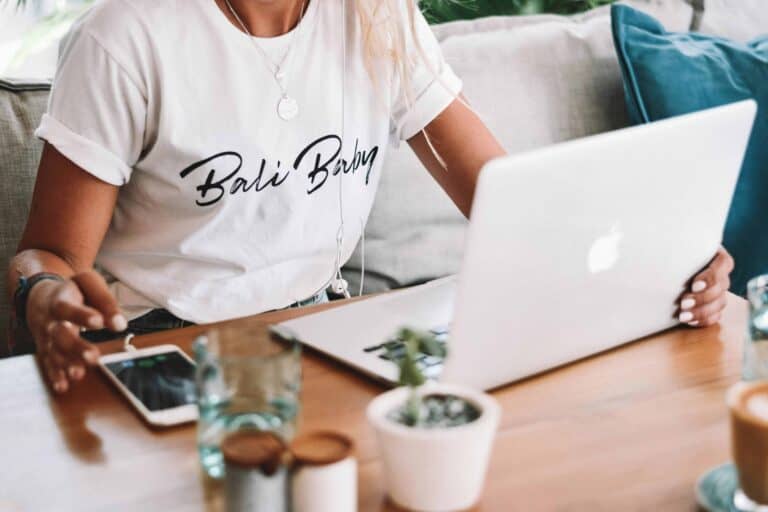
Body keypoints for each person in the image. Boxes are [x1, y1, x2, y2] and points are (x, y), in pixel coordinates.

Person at [5, 0, 734, 394]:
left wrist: (663, 252)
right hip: (165, 352)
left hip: (320, 344)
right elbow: (53, 253)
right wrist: (45, 295)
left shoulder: (377, 15)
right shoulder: (126, 35)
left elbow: (509, 200)